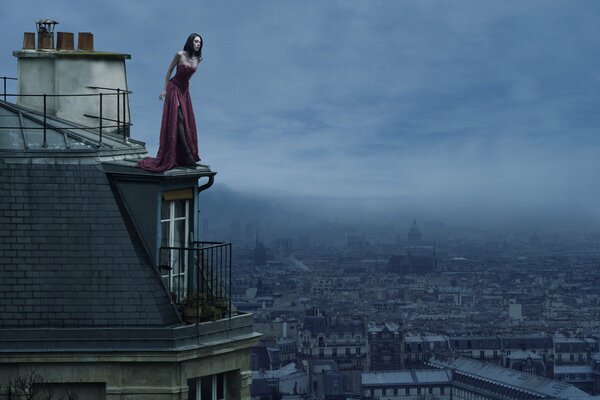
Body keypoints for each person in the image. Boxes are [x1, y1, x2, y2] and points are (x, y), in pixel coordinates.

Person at [138, 33, 203, 171]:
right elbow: (169, 72)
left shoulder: (198, 59)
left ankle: (185, 156)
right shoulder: (180, 55)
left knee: (187, 122)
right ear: (190, 42)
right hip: (173, 88)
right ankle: (187, 154)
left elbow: (189, 76)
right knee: (178, 118)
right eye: (196, 41)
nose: (198, 44)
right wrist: (164, 90)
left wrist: (188, 85)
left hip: (185, 92)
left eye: (200, 42)